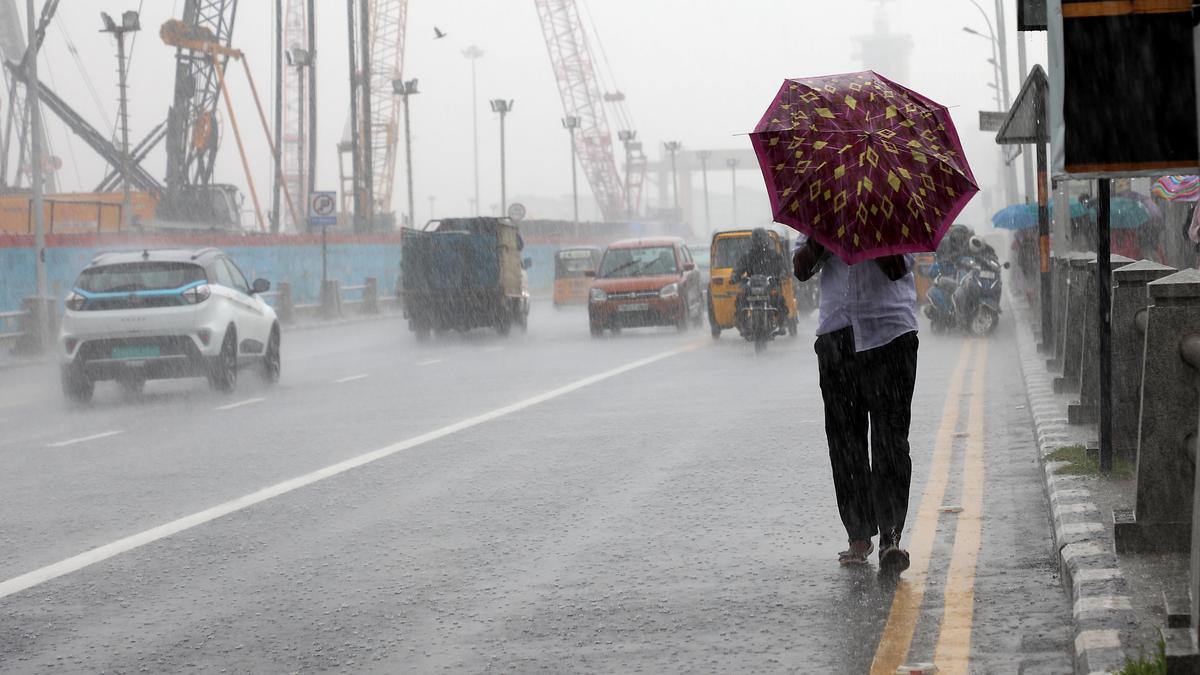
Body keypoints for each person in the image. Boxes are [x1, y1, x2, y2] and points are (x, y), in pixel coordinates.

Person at [793, 235, 918, 575]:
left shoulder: (893, 207)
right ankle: (858, 535)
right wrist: (824, 237)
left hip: (890, 334)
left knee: (890, 439)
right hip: (837, 336)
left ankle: (891, 537)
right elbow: (801, 269)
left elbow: (897, 269)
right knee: (845, 441)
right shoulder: (820, 208)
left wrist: (871, 234)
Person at [730, 228, 789, 330]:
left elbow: (782, 266)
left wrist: (782, 274)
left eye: (761, 239)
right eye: (756, 240)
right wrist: (734, 276)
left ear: (766, 239)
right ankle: (742, 324)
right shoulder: (748, 256)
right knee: (740, 298)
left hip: (770, 284)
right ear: (752, 241)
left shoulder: (773, 254)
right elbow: (739, 267)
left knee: (779, 298)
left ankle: (782, 322)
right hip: (751, 286)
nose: (759, 242)